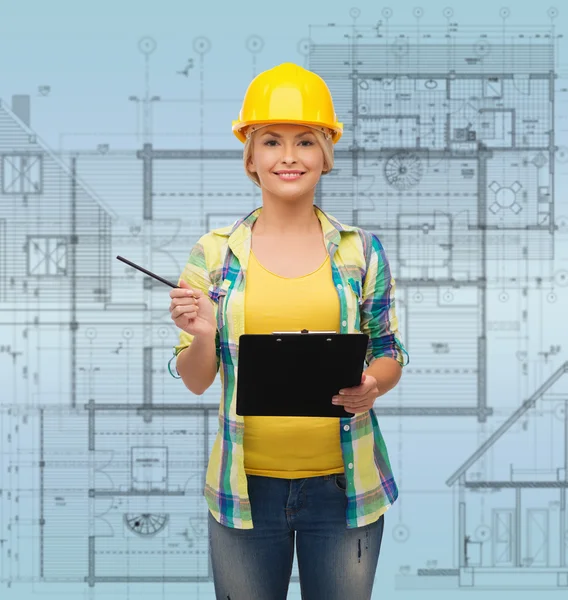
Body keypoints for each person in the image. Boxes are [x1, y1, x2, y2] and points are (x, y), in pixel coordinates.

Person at [168, 62, 409, 600]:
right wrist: (203, 334)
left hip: (343, 489)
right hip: (245, 488)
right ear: (250, 155)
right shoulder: (213, 254)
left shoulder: (362, 251)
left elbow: (389, 350)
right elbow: (195, 379)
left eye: (306, 140)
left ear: (326, 153)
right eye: (271, 141)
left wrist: (373, 385)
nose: (289, 156)